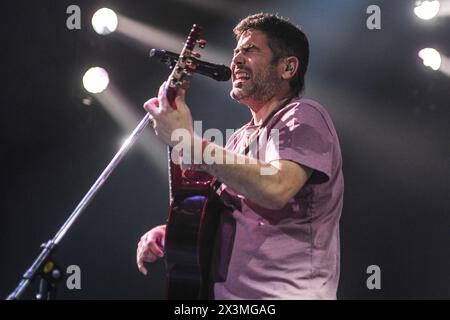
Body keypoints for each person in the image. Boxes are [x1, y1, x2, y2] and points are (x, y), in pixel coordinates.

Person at [137, 13, 344, 300]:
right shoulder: (238, 139)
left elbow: (276, 188)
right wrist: (175, 233)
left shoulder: (304, 115)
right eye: (235, 52)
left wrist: (186, 139)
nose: (236, 60)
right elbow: (225, 215)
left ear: (287, 67)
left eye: (250, 50)